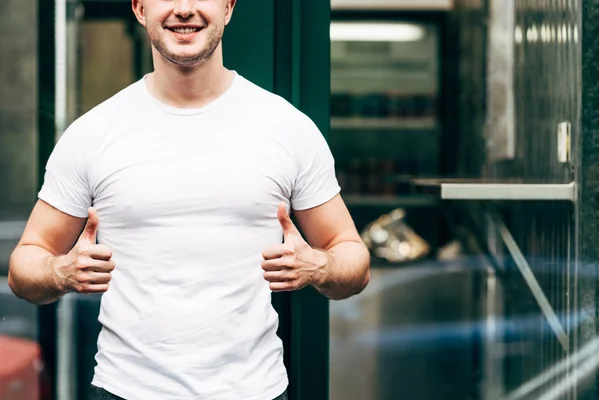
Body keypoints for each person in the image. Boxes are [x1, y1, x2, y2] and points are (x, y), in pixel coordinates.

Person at [8, 0, 370, 398]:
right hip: (126, 390)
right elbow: (25, 267)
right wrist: (61, 272)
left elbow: (353, 258)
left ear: (229, 7)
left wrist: (319, 265)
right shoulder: (92, 134)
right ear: (140, 8)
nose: (184, 9)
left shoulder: (287, 128)